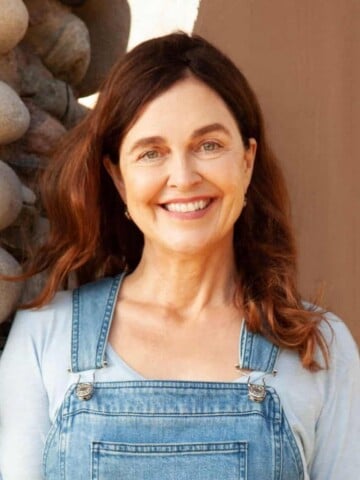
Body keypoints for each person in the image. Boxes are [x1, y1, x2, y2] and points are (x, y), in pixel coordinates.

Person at [0, 32, 359, 480]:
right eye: (152, 153)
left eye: (208, 145)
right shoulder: (44, 337)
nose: (183, 177)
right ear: (118, 178)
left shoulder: (318, 349)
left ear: (247, 161)